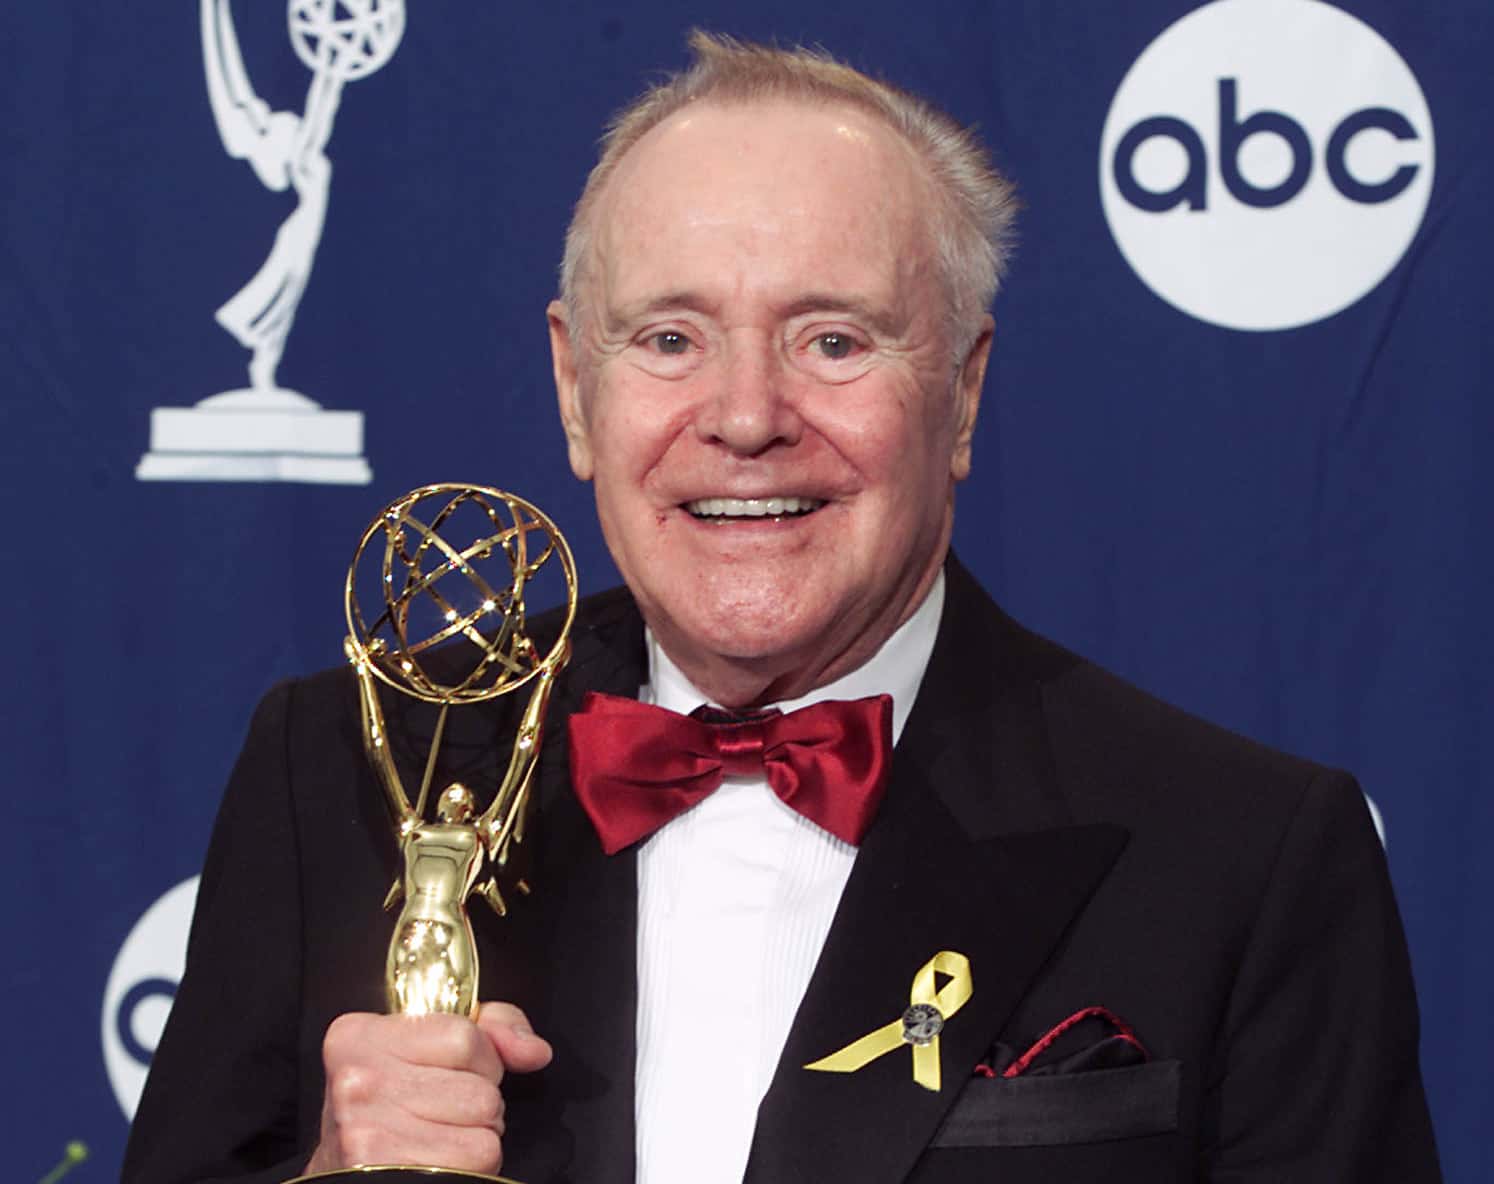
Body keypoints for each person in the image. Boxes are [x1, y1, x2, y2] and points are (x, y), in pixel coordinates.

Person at [124, 32, 1441, 1184]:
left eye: (833, 339)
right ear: (576, 391)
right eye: (669, 340)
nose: (746, 419)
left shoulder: (1242, 852)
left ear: (964, 391)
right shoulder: (344, 764)